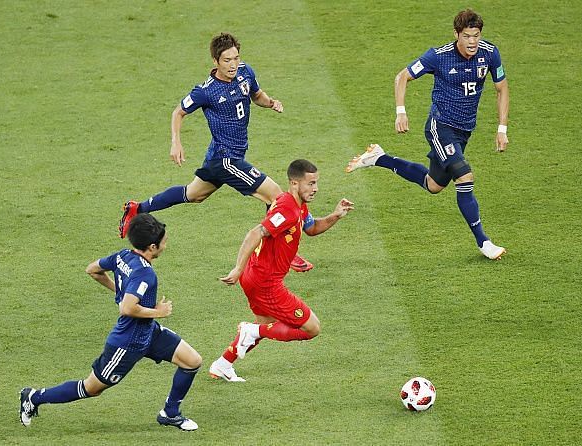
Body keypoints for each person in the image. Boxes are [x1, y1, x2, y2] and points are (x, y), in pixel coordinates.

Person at [119, 32, 313, 272]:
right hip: (225, 158)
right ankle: (283, 252)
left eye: (236, 58)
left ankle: (137, 208)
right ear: (215, 61)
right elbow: (178, 112)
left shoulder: (245, 72)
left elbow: (256, 95)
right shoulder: (206, 91)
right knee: (277, 197)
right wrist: (176, 142)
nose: (233, 65)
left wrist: (271, 102)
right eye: (227, 60)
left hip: (223, 156)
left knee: (193, 194)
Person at [346, 9, 509, 260]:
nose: (473, 42)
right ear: (456, 34)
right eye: (467, 36)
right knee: (464, 176)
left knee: (433, 185)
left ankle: (379, 158)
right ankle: (483, 242)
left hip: (464, 131)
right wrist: (401, 112)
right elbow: (402, 76)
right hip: (440, 126)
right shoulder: (439, 56)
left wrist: (502, 128)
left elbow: (501, 89)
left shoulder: (490, 53)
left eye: (476, 35)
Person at [20, 214, 202, 431]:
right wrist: (158, 312)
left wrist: (124, 293)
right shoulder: (145, 274)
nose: (166, 245)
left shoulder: (123, 256)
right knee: (92, 388)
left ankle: (170, 413)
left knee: (192, 361)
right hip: (127, 344)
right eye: (164, 242)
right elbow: (127, 309)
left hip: (148, 333)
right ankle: (33, 396)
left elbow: (93, 270)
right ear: (152, 247)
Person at [208, 159, 354, 382]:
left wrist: (335, 215)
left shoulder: (297, 205)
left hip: (255, 276)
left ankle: (223, 364)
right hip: (265, 282)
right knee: (311, 328)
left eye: (316, 183)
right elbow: (255, 233)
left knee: (265, 325)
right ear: (294, 183)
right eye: (311, 183)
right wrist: (237, 268)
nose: (315, 188)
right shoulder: (287, 209)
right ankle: (250, 332)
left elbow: (312, 228)